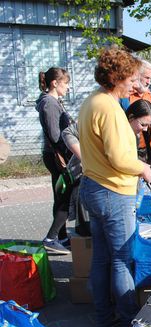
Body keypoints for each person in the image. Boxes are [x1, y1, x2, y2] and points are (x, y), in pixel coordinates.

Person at [78, 46, 151, 327]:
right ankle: (129, 320)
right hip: (113, 191)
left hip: (94, 187)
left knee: (101, 258)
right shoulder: (109, 108)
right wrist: (142, 168)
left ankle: (102, 317)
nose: (135, 85)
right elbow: (119, 158)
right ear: (118, 77)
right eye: (132, 79)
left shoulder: (92, 101)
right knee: (122, 260)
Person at [36, 67, 74, 254]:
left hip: (55, 154)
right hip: (56, 156)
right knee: (65, 196)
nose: (68, 87)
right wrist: (67, 153)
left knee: (60, 194)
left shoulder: (53, 101)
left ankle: (62, 237)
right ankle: (51, 238)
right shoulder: (49, 103)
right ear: (55, 83)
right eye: (65, 83)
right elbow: (55, 134)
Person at [120, 60, 151, 204]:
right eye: (146, 77)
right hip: (135, 150)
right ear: (137, 75)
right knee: (137, 191)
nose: (149, 81)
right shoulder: (125, 95)